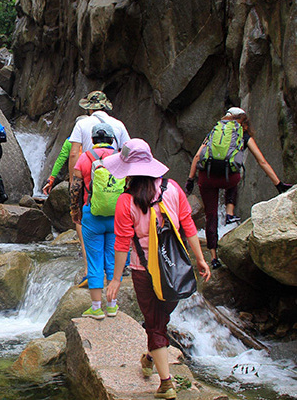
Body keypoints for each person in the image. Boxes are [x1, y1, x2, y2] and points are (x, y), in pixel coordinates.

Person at [105, 138, 211, 400]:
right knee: (159, 321)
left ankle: (166, 384)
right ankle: (153, 356)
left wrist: (117, 279)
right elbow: (188, 227)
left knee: (155, 324)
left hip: (144, 272)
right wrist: (199, 259)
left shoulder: (125, 202)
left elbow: (121, 244)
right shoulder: (172, 188)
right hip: (176, 269)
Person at [185, 107, 293, 269]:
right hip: (229, 180)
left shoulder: (214, 133)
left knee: (211, 216)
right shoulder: (244, 135)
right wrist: (278, 184)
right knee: (235, 174)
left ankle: (214, 259)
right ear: (244, 121)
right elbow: (261, 161)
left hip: (206, 178)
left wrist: (190, 179)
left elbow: (197, 156)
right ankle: (230, 213)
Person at [70, 123, 125, 319]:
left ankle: (96, 308)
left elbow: (75, 188)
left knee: (94, 262)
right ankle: (112, 306)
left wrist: (75, 211)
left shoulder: (85, 157)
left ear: (92, 140)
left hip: (92, 215)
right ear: (112, 140)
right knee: (112, 260)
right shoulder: (121, 158)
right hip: (117, 217)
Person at [43, 133, 89, 285]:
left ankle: (85, 252)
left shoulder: (71, 141)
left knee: (78, 217)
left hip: (77, 183)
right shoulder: (98, 141)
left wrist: (52, 178)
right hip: (96, 184)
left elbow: (62, 159)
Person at [68, 91, 131, 183]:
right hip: (112, 172)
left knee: (89, 195)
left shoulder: (81, 124)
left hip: (89, 170)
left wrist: (72, 180)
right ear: (106, 106)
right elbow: (127, 150)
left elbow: (74, 153)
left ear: (89, 108)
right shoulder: (118, 124)